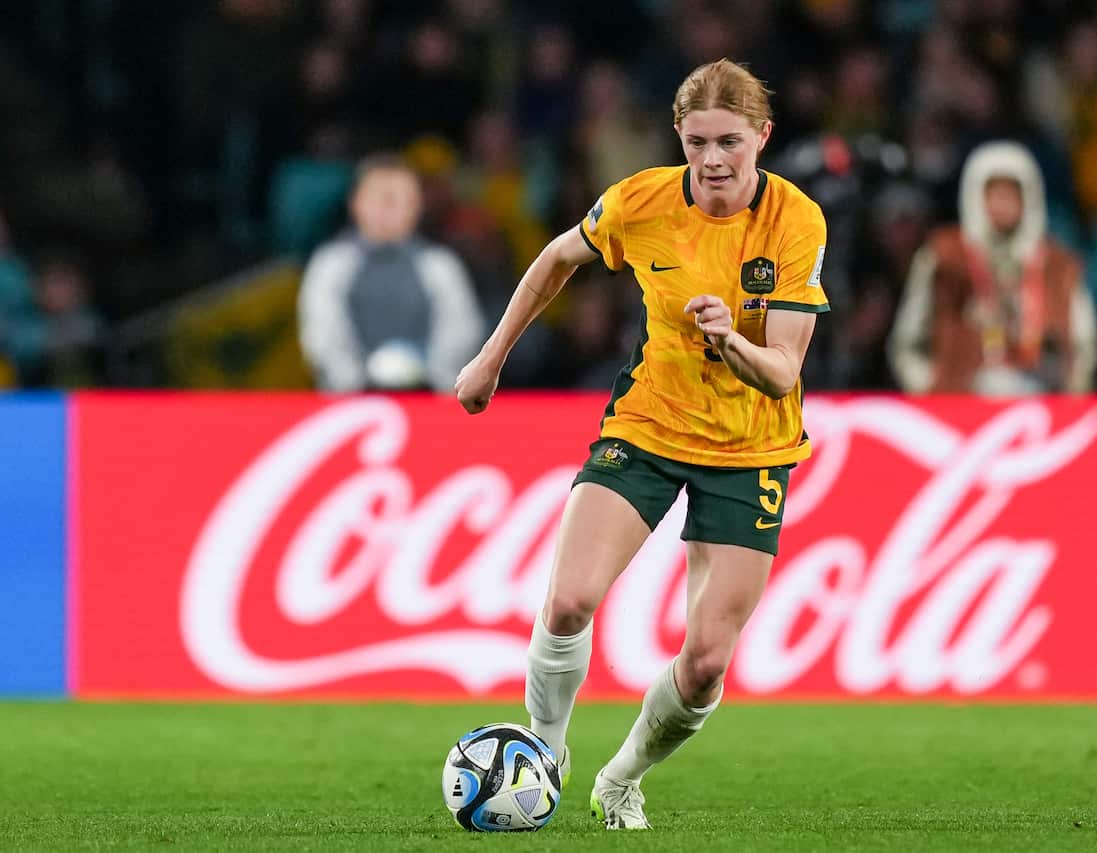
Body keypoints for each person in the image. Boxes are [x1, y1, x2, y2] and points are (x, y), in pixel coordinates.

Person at [455, 59, 829, 830]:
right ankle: (545, 752)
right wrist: (490, 358)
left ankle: (622, 777)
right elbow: (558, 258)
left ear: (762, 136)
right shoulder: (641, 201)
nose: (713, 160)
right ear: (679, 136)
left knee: (707, 661)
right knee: (568, 600)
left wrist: (730, 340)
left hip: (751, 448)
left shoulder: (796, 221)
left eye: (729, 142)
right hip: (648, 425)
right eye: (697, 142)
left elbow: (783, 372)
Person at [888, 141, 1097, 395]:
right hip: (959, 402)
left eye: (1011, 195)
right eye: (994, 195)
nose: (1003, 204)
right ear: (975, 196)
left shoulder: (1058, 264)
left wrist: (1072, 395)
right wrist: (927, 388)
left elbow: (1085, 346)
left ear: (1029, 198)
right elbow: (907, 340)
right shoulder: (943, 257)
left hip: (1041, 402)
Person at [298, 154, 483, 392]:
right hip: (349, 400)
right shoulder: (331, 263)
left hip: (430, 398)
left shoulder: (440, 265)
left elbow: (461, 331)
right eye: (382, 198)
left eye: (404, 199)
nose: (391, 208)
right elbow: (322, 335)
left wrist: (433, 382)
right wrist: (355, 384)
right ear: (356, 203)